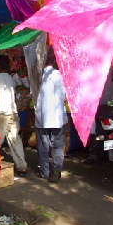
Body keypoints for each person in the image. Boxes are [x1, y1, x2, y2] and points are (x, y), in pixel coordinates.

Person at [0, 54, 28, 177]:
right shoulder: (11, 78)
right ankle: (22, 166)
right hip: (12, 113)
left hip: (0, 113)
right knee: (15, 140)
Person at [34, 50, 67, 183]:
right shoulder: (59, 75)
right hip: (57, 118)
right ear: (54, 61)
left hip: (41, 118)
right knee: (57, 145)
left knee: (43, 146)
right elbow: (64, 96)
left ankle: (45, 172)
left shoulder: (37, 76)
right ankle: (57, 170)